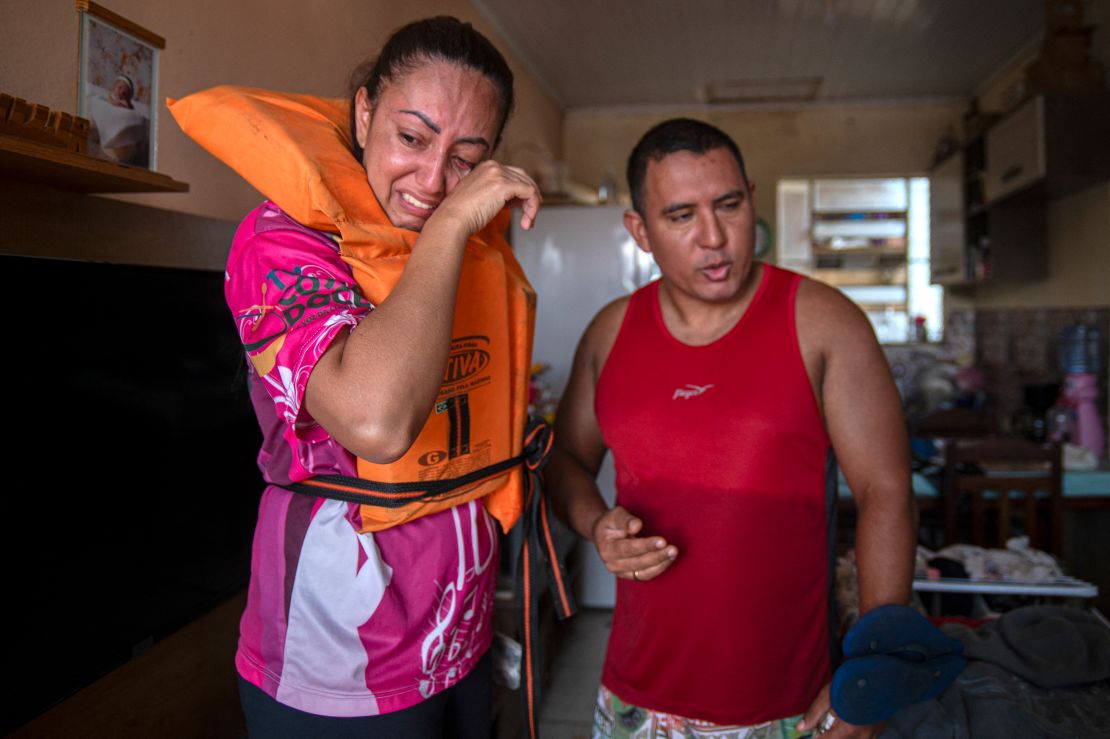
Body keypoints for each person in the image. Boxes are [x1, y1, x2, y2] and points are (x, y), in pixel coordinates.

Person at [221, 17, 542, 737]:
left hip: (461, 633)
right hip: (340, 661)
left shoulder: (469, 249)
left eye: (466, 157)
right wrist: (456, 220)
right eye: (412, 137)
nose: (433, 180)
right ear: (364, 112)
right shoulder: (280, 243)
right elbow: (375, 421)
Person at [546, 119, 916, 739]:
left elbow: (887, 492)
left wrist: (873, 670)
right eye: (681, 215)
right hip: (635, 699)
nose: (714, 238)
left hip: (789, 702)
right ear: (640, 230)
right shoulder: (610, 333)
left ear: (751, 197)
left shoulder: (825, 323)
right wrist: (596, 524)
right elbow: (564, 463)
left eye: (729, 205)